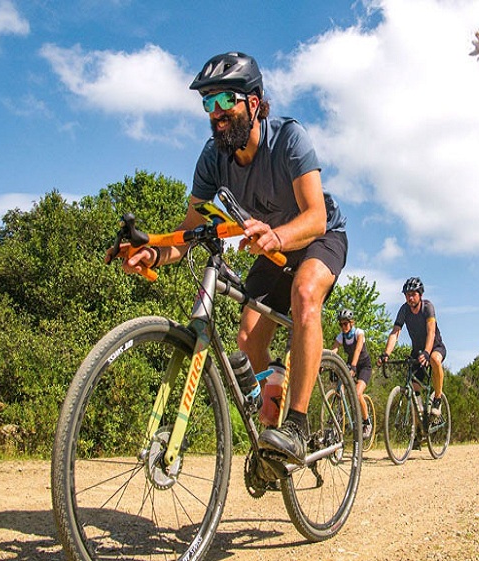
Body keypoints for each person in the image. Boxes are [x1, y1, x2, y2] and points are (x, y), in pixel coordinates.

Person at [120, 51, 347, 465]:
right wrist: (152, 251)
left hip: (317, 237)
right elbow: (188, 233)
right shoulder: (213, 158)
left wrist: (278, 236)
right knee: (247, 335)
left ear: (254, 103)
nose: (216, 113)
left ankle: (296, 427)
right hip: (270, 245)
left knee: (305, 294)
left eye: (226, 100)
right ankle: (272, 423)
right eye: (208, 103)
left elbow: (314, 216)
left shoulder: (289, 139)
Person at [377, 277, 446, 416]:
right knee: (414, 387)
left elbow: (431, 332)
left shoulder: (427, 307)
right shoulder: (404, 310)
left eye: (413, 294)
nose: (410, 298)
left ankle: (437, 398)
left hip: (435, 347)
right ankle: (420, 421)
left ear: (420, 295)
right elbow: (395, 332)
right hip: (418, 351)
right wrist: (386, 353)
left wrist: (427, 352)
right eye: (407, 295)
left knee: (434, 359)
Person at [330, 309, 374, 439]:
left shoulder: (359, 333)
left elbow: (358, 349)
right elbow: (334, 350)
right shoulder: (341, 336)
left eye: (345, 324)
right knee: (342, 389)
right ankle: (343, 418)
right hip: (351, 365)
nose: (343, 327)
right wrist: (325, 362)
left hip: (364, 366)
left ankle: (367, 422)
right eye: (341, 324)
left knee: (357, 392)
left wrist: (354, 366)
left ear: (351, 323)